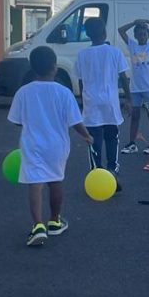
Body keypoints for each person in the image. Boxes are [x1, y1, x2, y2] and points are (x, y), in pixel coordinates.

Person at [8, 46, 93, 246]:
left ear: (33, 68)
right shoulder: (63, 92)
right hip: (57, 146)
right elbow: (75, 122)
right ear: (54, 67)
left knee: (35, 184)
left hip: (32, 144)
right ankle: (55, 220)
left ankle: (37, 225)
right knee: (55, 181)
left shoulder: (24, 92)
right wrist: (86, 136)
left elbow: (16, 120)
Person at [74, 17, 129, 187]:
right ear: (104, 32)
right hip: (110, 102)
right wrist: (128, 98)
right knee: (112, 137)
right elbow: (123, 78)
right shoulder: (115, 52)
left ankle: (97, 171)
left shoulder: (82, 54)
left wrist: (84, 100)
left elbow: (81, 81)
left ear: (88, 34)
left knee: (93, 139)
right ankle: (112, 170)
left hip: (91, 102)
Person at [118, 18, 149, 155]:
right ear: (136, 35)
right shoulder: (132, 45)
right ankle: (132, 143)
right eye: (139, 34)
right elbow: (121, 31)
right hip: (135, 88)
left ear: (148, 35)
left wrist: (148, 21)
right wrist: (134, 23)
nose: (142, 36)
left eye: (144, 34)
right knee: (135, 115)